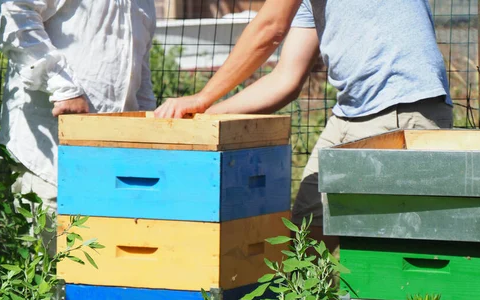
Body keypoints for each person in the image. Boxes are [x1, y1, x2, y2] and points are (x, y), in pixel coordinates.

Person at [154, 0, 453, 248]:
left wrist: (203, 97)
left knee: (386, 257)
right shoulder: (313, 5)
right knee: (305, 241)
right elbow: (285, 78)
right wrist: (207, 118)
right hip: (351, 114)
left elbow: (270, 28)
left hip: (403, 109)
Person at [0, 0, 157, 213]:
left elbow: (138, 67)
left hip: (116, 168)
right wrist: (63, 86)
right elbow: (14, 10)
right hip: (49, 159)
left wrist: (150, 127)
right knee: (47, 242)